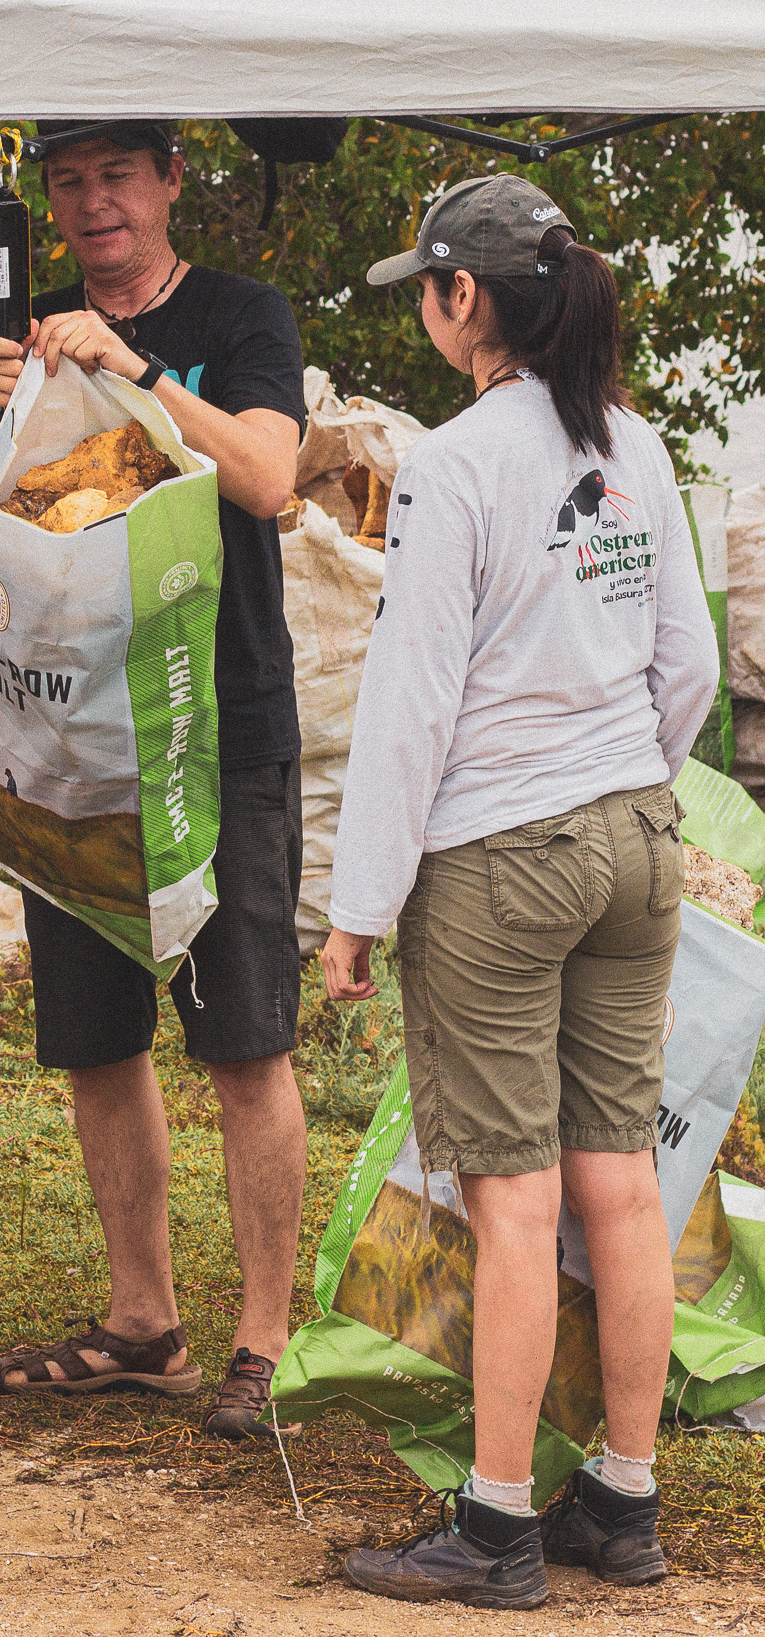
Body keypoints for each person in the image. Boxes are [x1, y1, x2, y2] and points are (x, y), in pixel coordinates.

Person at [322, 175, 718, 1607]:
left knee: (509, 1197)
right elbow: (687, 668)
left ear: (462, 300)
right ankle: (622, 1498)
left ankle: (493, 1531)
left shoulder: (451, 465)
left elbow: (408, 707)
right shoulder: (637, 443)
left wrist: (355, 909)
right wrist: (618, 775)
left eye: (420, 288)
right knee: (618, 1180)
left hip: (500, 856)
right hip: (635, 838)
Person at [0, 121, 307, 1437]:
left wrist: (139, 371)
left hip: (219, 726)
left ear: (169, 183)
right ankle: (142, 1322)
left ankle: (264, 1341)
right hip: (72, 746)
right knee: (97, 1042)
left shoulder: (242, 318)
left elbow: (264, 477)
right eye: (69, 183)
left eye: (116, 179)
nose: (94, 206)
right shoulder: (30, 328)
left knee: (244, 1042)